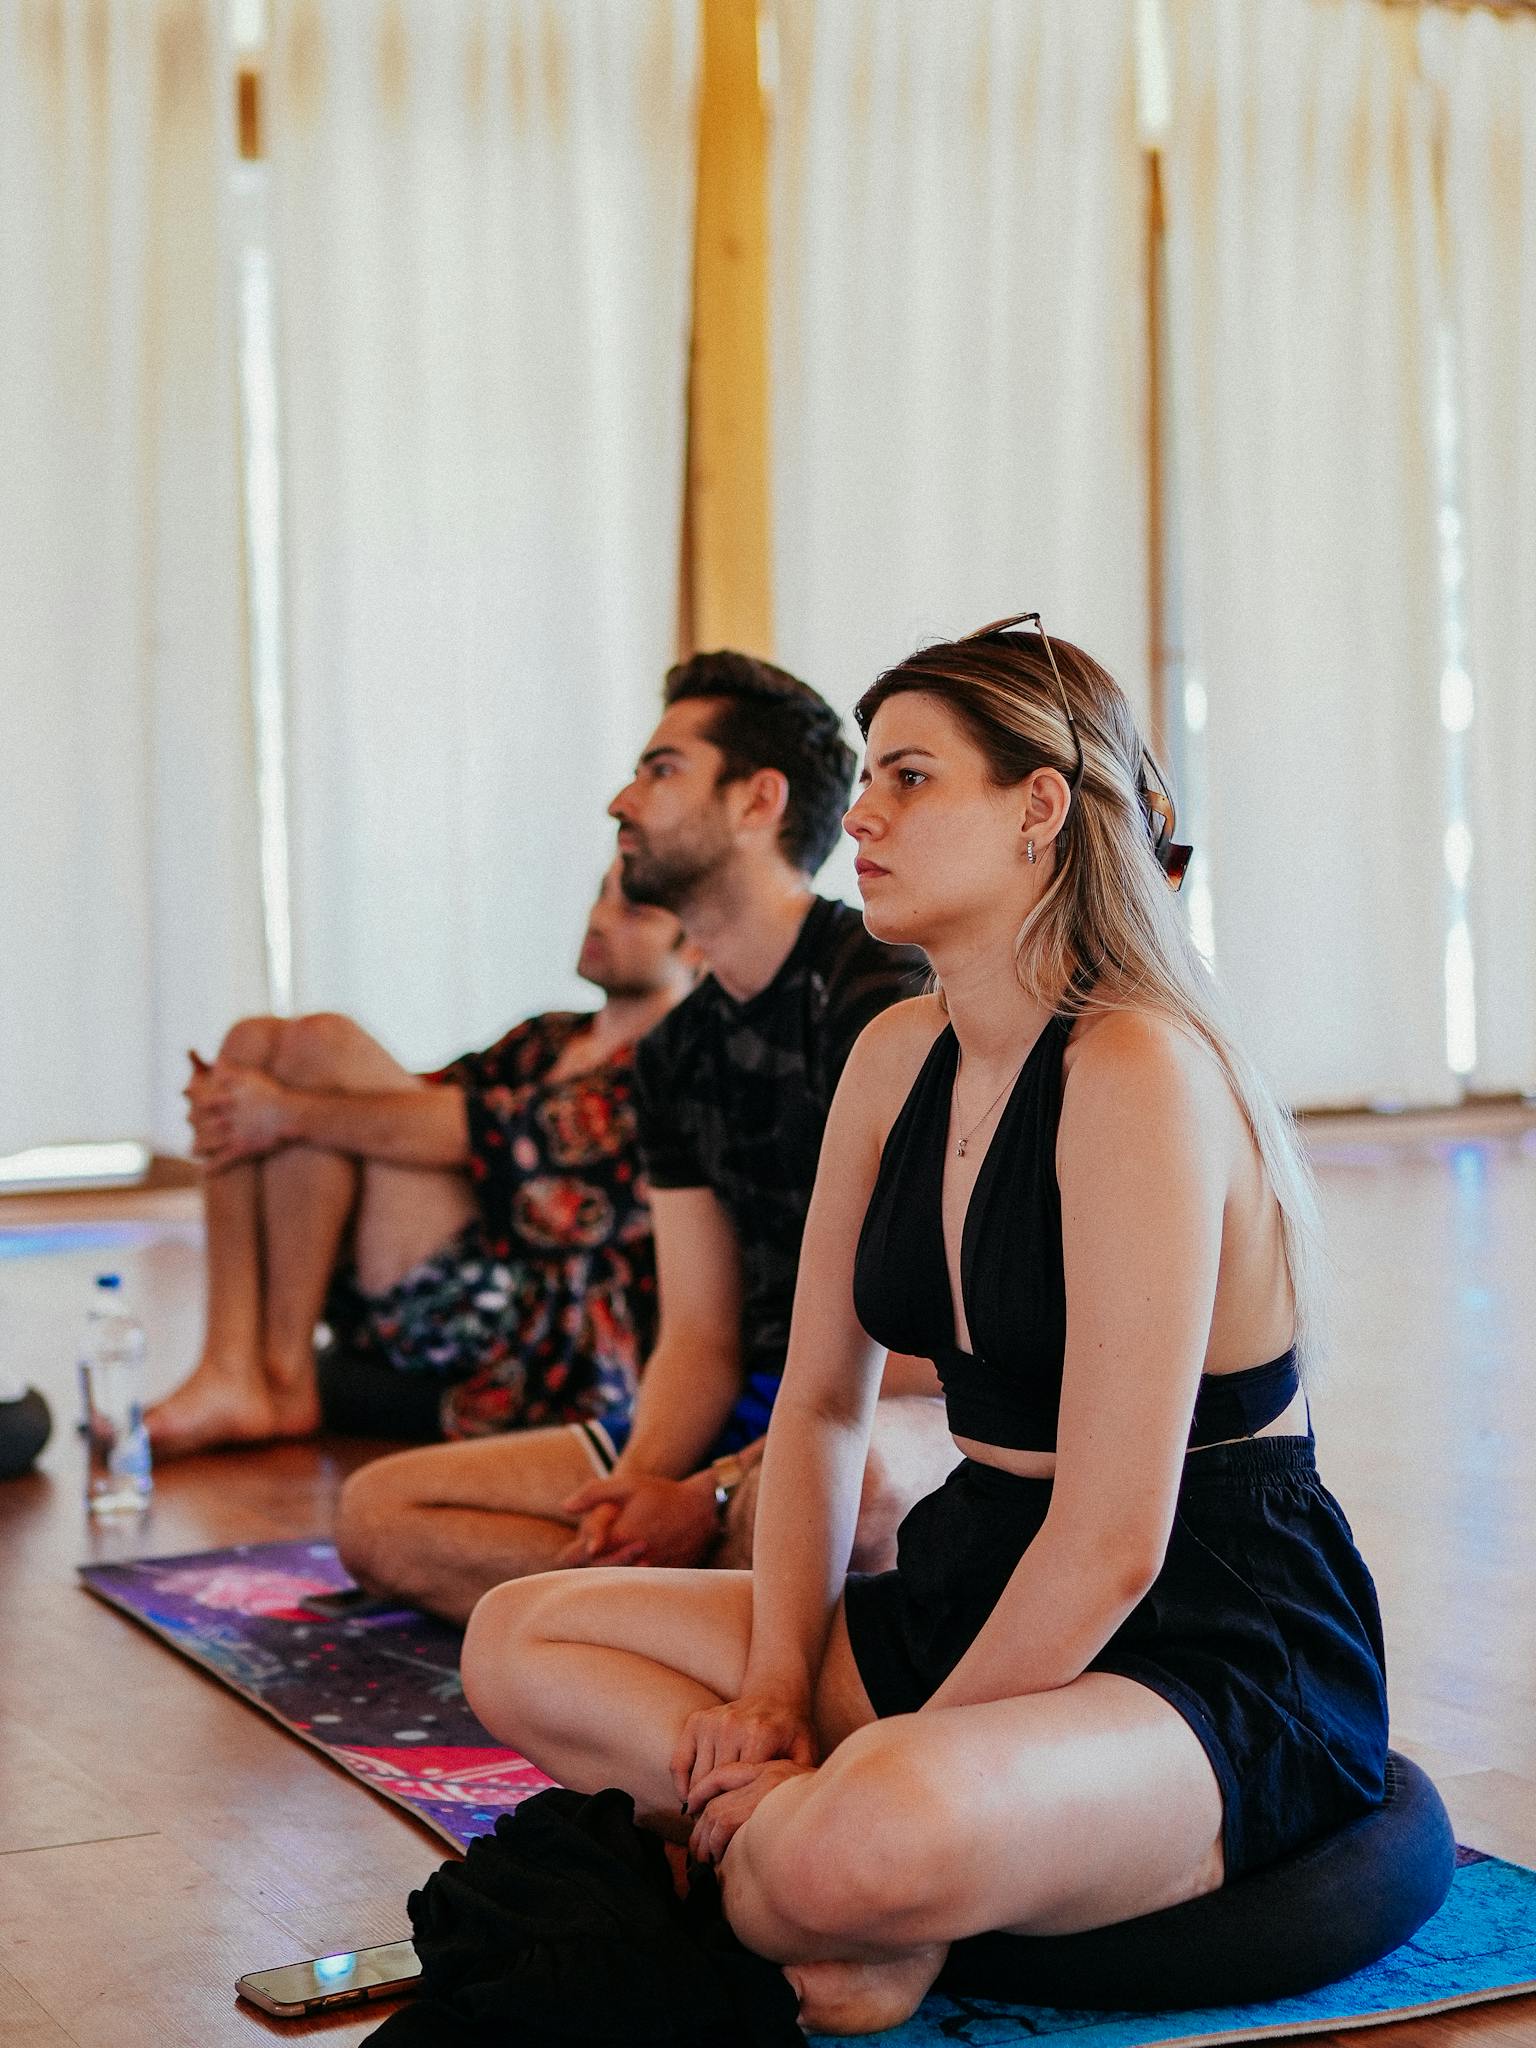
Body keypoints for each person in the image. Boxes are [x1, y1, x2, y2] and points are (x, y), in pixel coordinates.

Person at [459, 618, 1390, 2038]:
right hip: (976, 1570)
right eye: (870, 781)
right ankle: (822, 1867)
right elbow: (823, 1407)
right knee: (520, 1638)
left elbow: (1116, 1538)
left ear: (1037, 812)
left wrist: (869, 1764)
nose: (865, 822)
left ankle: (830, 1864)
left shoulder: (1136, 1065)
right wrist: (774, 1699)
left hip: (1196, 1626)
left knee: (857, 1831)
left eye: (908, 779)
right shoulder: (899, 1054)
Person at [335, 650, 944, 1621]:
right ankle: (682, 1606)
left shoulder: (886, 990)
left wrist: (706, 1493)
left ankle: (651, 1607)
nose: (623, 799)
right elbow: (700, 1334)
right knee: (381, 1512)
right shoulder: (674, 1051)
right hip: (753, 1412)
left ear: (758, 802)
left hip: (896, 1400)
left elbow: (924, 1331)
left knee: (843, 1490)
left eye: (662, 769)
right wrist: (639, 1492)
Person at [147, 862, 693, 1454]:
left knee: (321, 1051)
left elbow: (484, 1134)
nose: (600, 918)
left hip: (546, 1327)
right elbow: (410, 1098)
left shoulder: (674, 1065)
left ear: (697, 949)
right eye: (600, 896)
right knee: (255, 1046)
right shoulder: (552, 1037)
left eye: (633, 910)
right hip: (445, 1278)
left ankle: (276, 1377)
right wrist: (250, 1100)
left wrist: (283, 1111)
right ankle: (231, 1365)